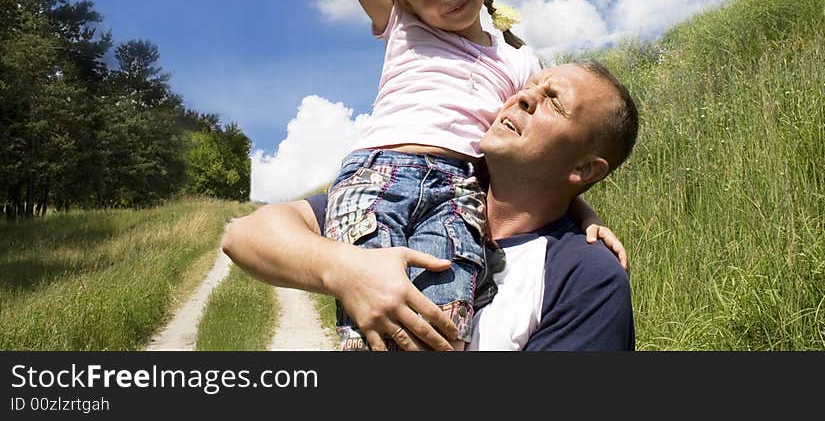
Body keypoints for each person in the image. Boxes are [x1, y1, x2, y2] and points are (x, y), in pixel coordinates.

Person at [257, 0, 612, 350]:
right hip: (379, 177)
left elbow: (544, 153)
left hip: (461, 192)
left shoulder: (520, 60)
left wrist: (581, 211)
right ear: (402, 0)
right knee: (375, 330)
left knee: (441, 330)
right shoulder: (401, 25)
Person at [223, 60, 638, 351]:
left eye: (554, 101)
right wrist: (347, 270)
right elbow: (245, 236)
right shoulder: (427, 191)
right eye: (530, 86)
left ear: (584, 168)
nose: (524, 98)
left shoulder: (588, 277)